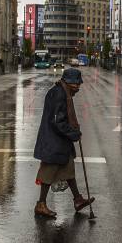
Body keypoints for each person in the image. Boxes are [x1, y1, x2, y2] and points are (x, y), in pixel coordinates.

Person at [33, 68, 95, 218]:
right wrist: (73, 133)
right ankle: (41, 204)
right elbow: (57, 121)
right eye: (76, 85)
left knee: (68, 169)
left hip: (59, 142)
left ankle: (78, 200)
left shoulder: (63, 92)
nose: (78, 88)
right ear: (69, 83)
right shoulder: (59, 94)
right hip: (53, 142)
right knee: (48, 173)